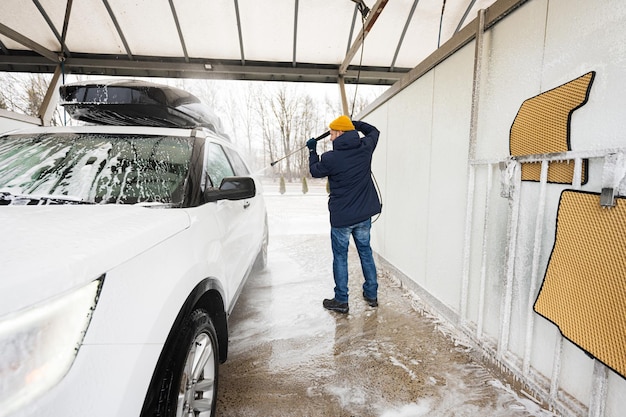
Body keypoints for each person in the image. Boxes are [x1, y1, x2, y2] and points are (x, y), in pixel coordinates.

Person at [307, 115, 382, 314]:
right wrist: (354, 123)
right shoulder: (366, 147)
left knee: (340, 257)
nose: (330, 138)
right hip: (364, 215)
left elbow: (314, 171)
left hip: (342, 219)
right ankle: (372, 294)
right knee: (365, 252)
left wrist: (313, 150)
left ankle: (341, 300)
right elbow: (374, 131)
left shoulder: (331, 158)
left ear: (340, 132)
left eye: (332, 133)